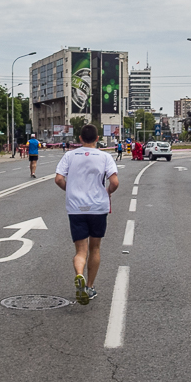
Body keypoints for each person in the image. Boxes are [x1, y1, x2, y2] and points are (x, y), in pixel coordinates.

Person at [54, 123, 119, 305]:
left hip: (76, 208)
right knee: (95, 248)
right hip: (98, 208)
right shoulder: (105, 157)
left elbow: (58, 179)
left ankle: (80, 275)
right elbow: (114, 182)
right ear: (97, 139)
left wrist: (70, 190)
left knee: (80, 251)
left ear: (80, 139)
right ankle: (89, 287)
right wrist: (107, 192)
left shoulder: (69, 156)